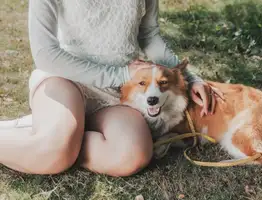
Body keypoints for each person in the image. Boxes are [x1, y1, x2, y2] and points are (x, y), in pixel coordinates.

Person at [0, 0, 219, 176]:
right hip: (66, 79)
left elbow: (149, 36)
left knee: (132, 155)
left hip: (116, 92)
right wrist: (121, 75)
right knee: (53, 152)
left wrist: (188, 77)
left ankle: (61, 134)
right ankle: (59, 139)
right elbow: (45, 55)